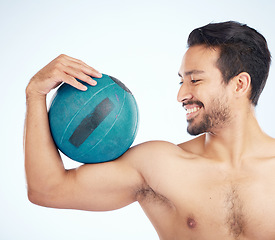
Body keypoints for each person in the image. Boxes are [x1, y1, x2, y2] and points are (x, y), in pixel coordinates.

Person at [24, 21, 275, 239]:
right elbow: (48, 189)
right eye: (181, 81)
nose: (181, 95)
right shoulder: (160, 166)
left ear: (240, 84)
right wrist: (35, 93)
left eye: (195, 80)